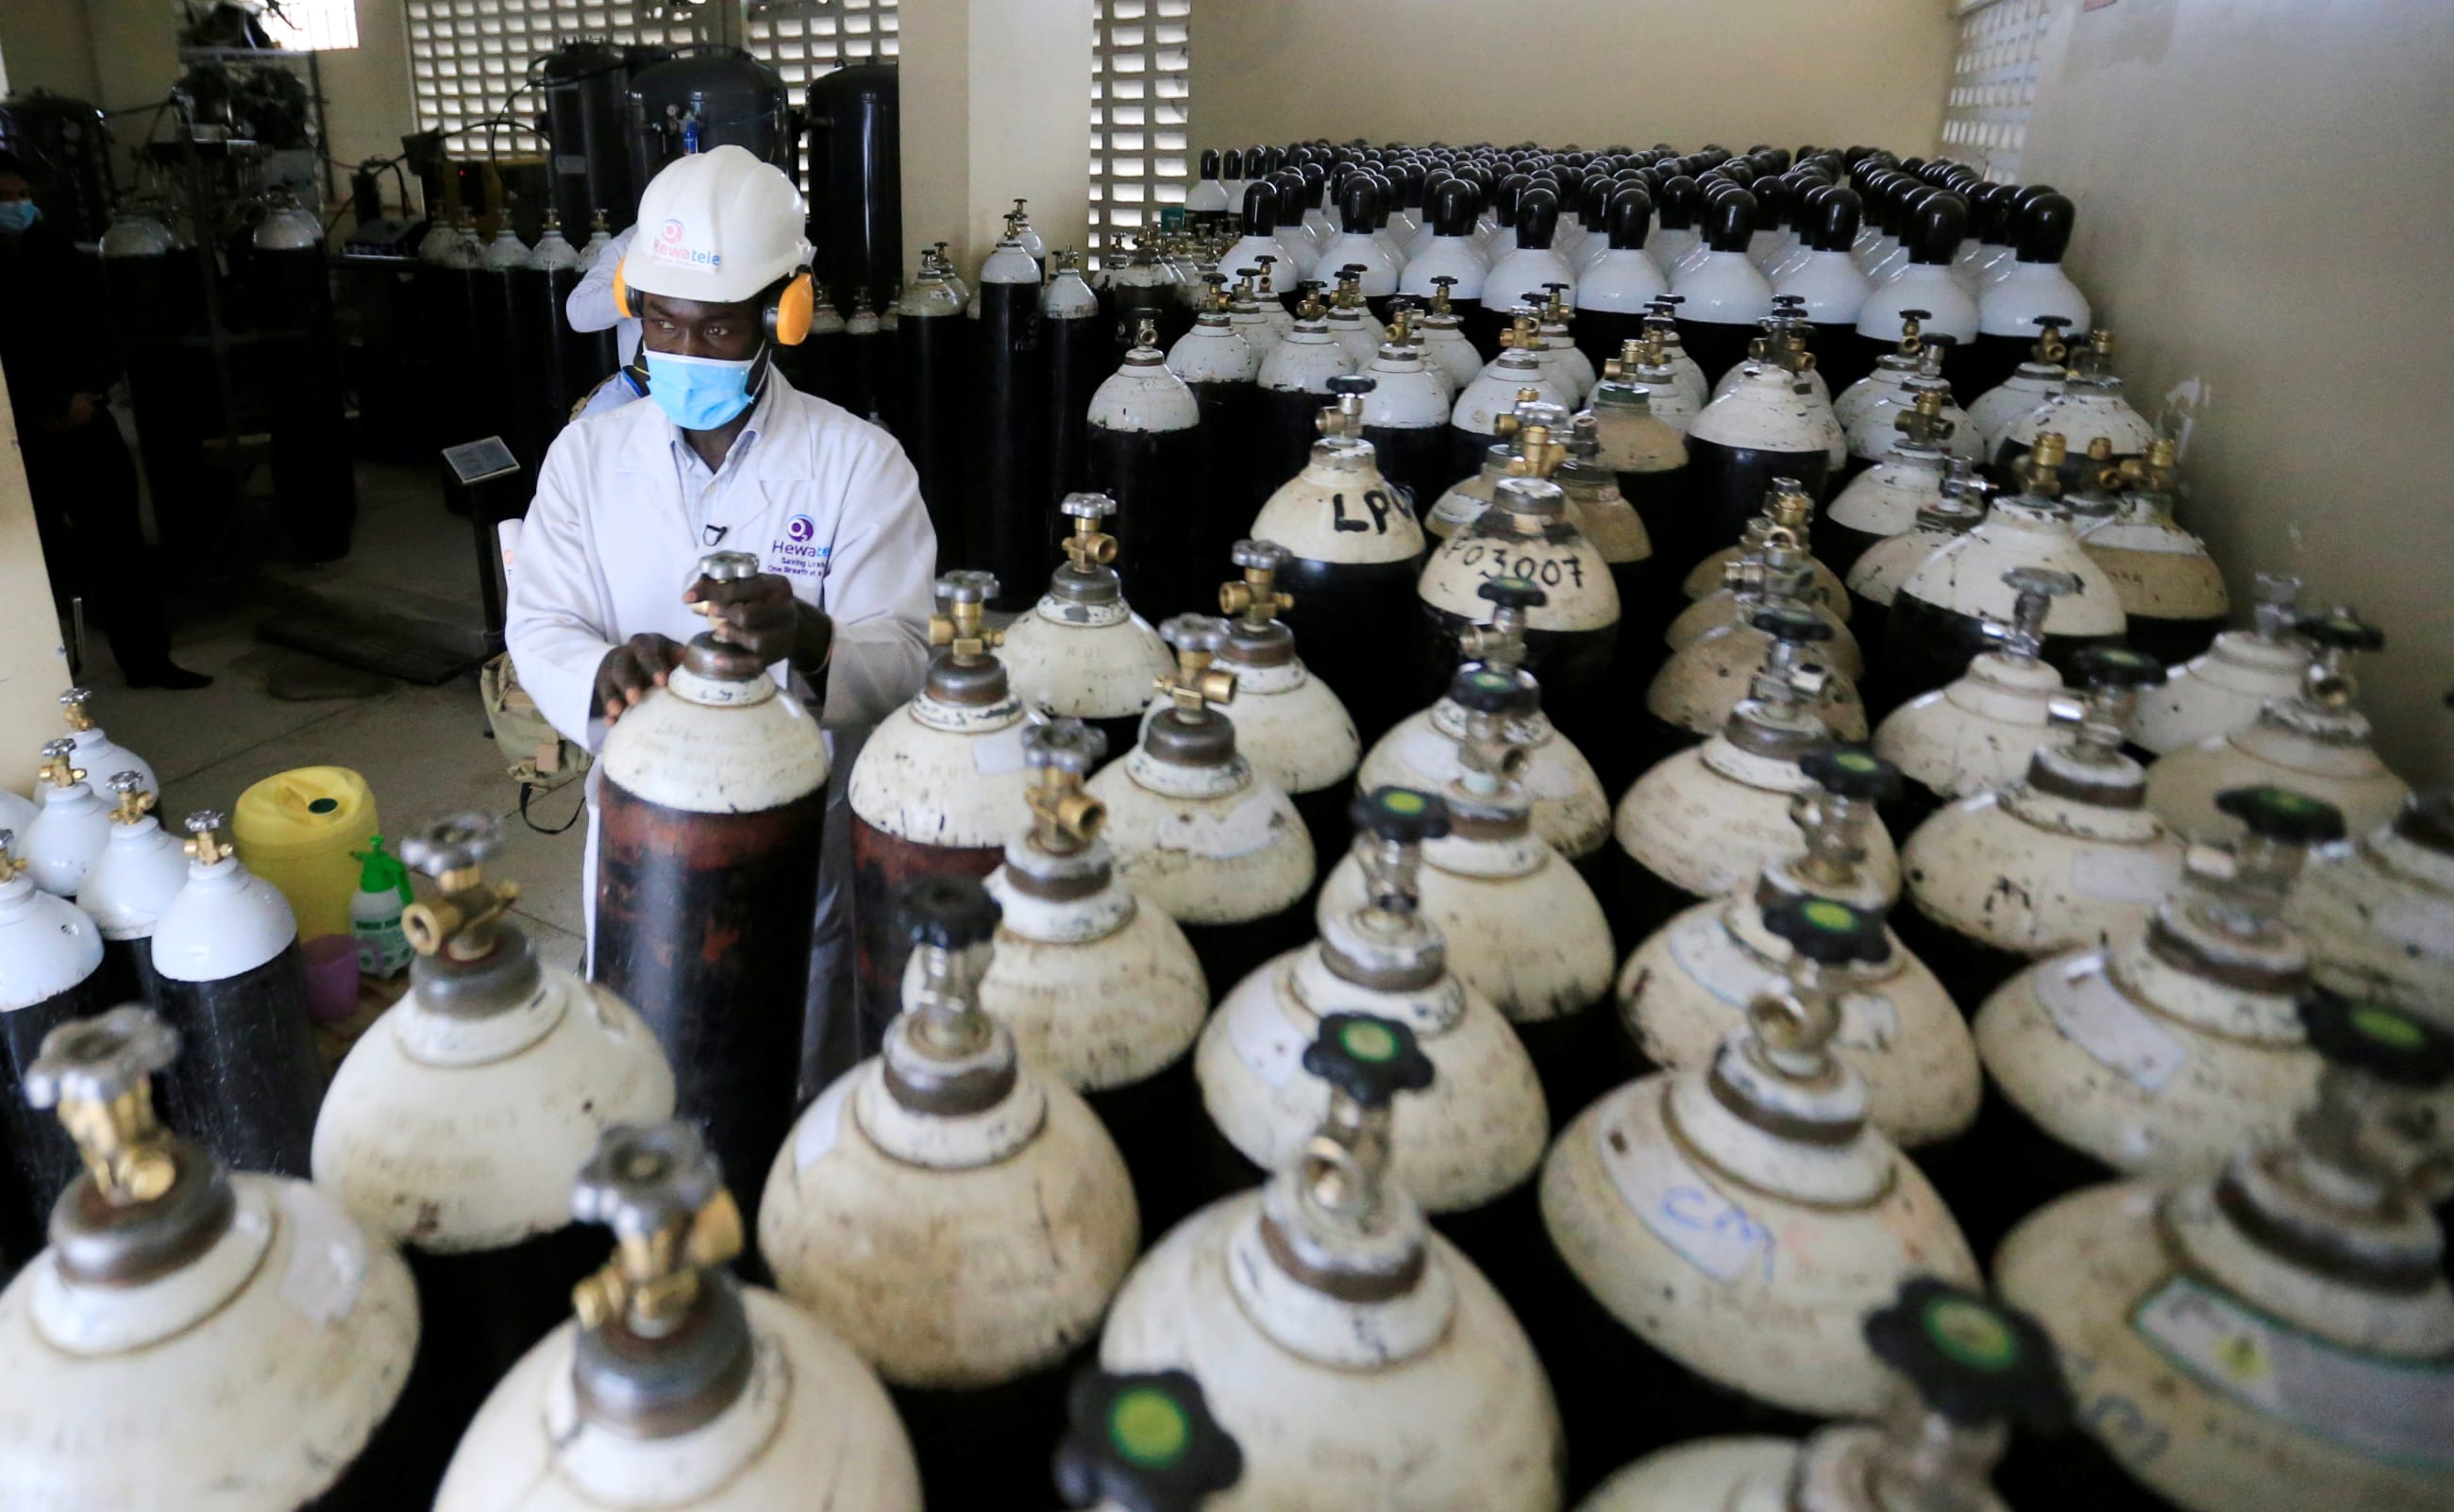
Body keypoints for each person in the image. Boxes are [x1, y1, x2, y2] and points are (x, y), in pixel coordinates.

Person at [506, 144, 933, 1086]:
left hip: (798, 835)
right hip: (638, 824)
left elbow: (906, 650)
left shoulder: (859, 464)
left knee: (789, 1061)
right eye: (661, 323)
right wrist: (601, 673)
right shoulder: (586, 457)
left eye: (715, 329)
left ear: (782, 315)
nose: (683, 353)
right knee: (642, 1057)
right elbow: (540, 622)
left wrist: (810, 638)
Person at [0, 152, 208, 689]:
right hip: (19, 432)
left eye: (23, 195)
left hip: (85, 418)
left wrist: (89, 391)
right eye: (5, 198)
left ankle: (147, 659)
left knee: (121, 545)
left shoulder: (58, 253)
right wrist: (44, 406)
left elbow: (104, 326)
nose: (18, 206)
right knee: (30, 556)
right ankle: (42, 680)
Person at [564, 219, 642, 417]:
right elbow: (579, 311)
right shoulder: (630, 244)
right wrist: (637, 296)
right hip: (643, 391)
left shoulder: (728, 235)